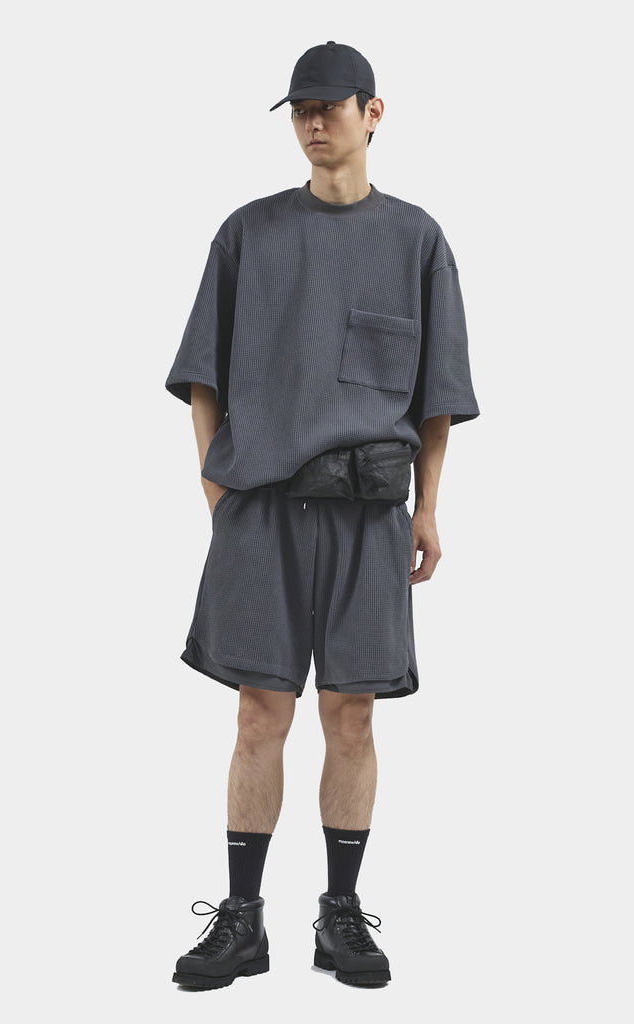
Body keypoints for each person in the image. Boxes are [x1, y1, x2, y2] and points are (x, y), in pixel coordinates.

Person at [164, 40, 480, 989]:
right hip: (259, 511)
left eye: (329, 106)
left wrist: (429, 509)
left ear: (372, 113)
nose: (311, 122)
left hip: (369, 512)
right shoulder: (249, 234)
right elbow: (201, 377)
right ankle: (243, 919)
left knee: (352, 716)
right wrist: (217, 493)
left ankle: (340, 913)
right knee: (259, 715)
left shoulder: (417, 240)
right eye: (299, 109)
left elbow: (436, 398)